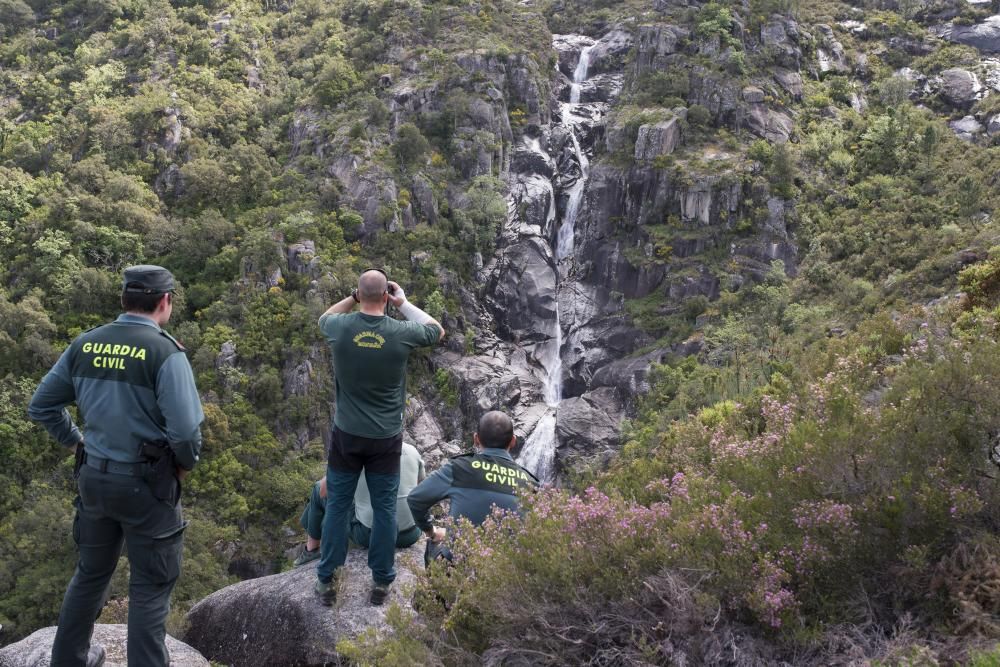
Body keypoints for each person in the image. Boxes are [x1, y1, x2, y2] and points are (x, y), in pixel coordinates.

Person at [27, 265, 203, 667]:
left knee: (89, 574)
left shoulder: (86, 344)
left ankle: (69, 660)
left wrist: (76, 441)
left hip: (94, 480)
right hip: (147, 486)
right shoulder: (164, 352)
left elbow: (41, 406)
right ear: (165, 302)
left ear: (124, 299)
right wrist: (184, 466)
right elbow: (186, 431)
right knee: (150, 586)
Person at [315, 268, 444, 606]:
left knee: (338, 507)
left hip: (347, 435)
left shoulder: (340, 328)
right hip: (385, 438)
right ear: (386, 296)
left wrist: (353, 299)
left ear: (359, 294)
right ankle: (382, 582)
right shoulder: (400, 332)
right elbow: (436, 330)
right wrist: (402, 304)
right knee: (385, 508)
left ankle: (327, 579)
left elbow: (324, 318)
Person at [407, 411, 539, 566]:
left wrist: (430, 530)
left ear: (476, 439)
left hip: (459, 568)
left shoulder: (459, 467)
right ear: (513, 441)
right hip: (509, 576)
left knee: (434, 544)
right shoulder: (531, 483)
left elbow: (415, 499)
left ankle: (435, 589)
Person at [294, 442, 426, 566]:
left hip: (369, 535)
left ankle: (311, 550)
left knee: (318, 488)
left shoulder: (356, 453)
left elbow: (323, 491)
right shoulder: (411, 450)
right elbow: (419, 490)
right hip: (411, 533)